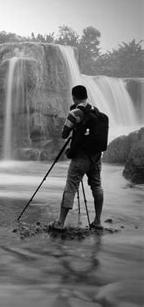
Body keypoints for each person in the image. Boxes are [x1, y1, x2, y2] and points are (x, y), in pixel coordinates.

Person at [50, 85, 104, 231]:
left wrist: (70, 117)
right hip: (96, 157)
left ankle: (60, 223)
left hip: (80, 158)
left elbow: (64, 134)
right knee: (97, 186)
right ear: (86, 96)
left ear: (74, 96)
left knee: (71, 187)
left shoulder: (75, 113)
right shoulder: (96, 111)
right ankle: (98, 221)